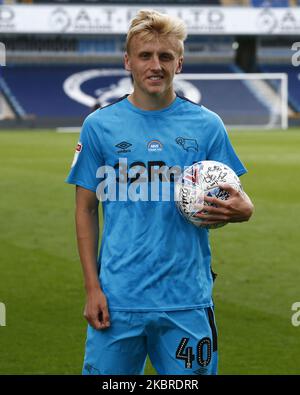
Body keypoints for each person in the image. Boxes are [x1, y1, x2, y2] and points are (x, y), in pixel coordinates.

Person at [66, 9, 254, 375]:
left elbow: (238, 197)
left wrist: (245, 209)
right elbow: (86, 209)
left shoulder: (208, 126)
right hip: (118, 299)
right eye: (145, 55)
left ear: (179, 63)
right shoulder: (98, 126)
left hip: (187, 300)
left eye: (166, 56)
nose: (156, 65)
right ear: (128, 61)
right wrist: (92, 287)